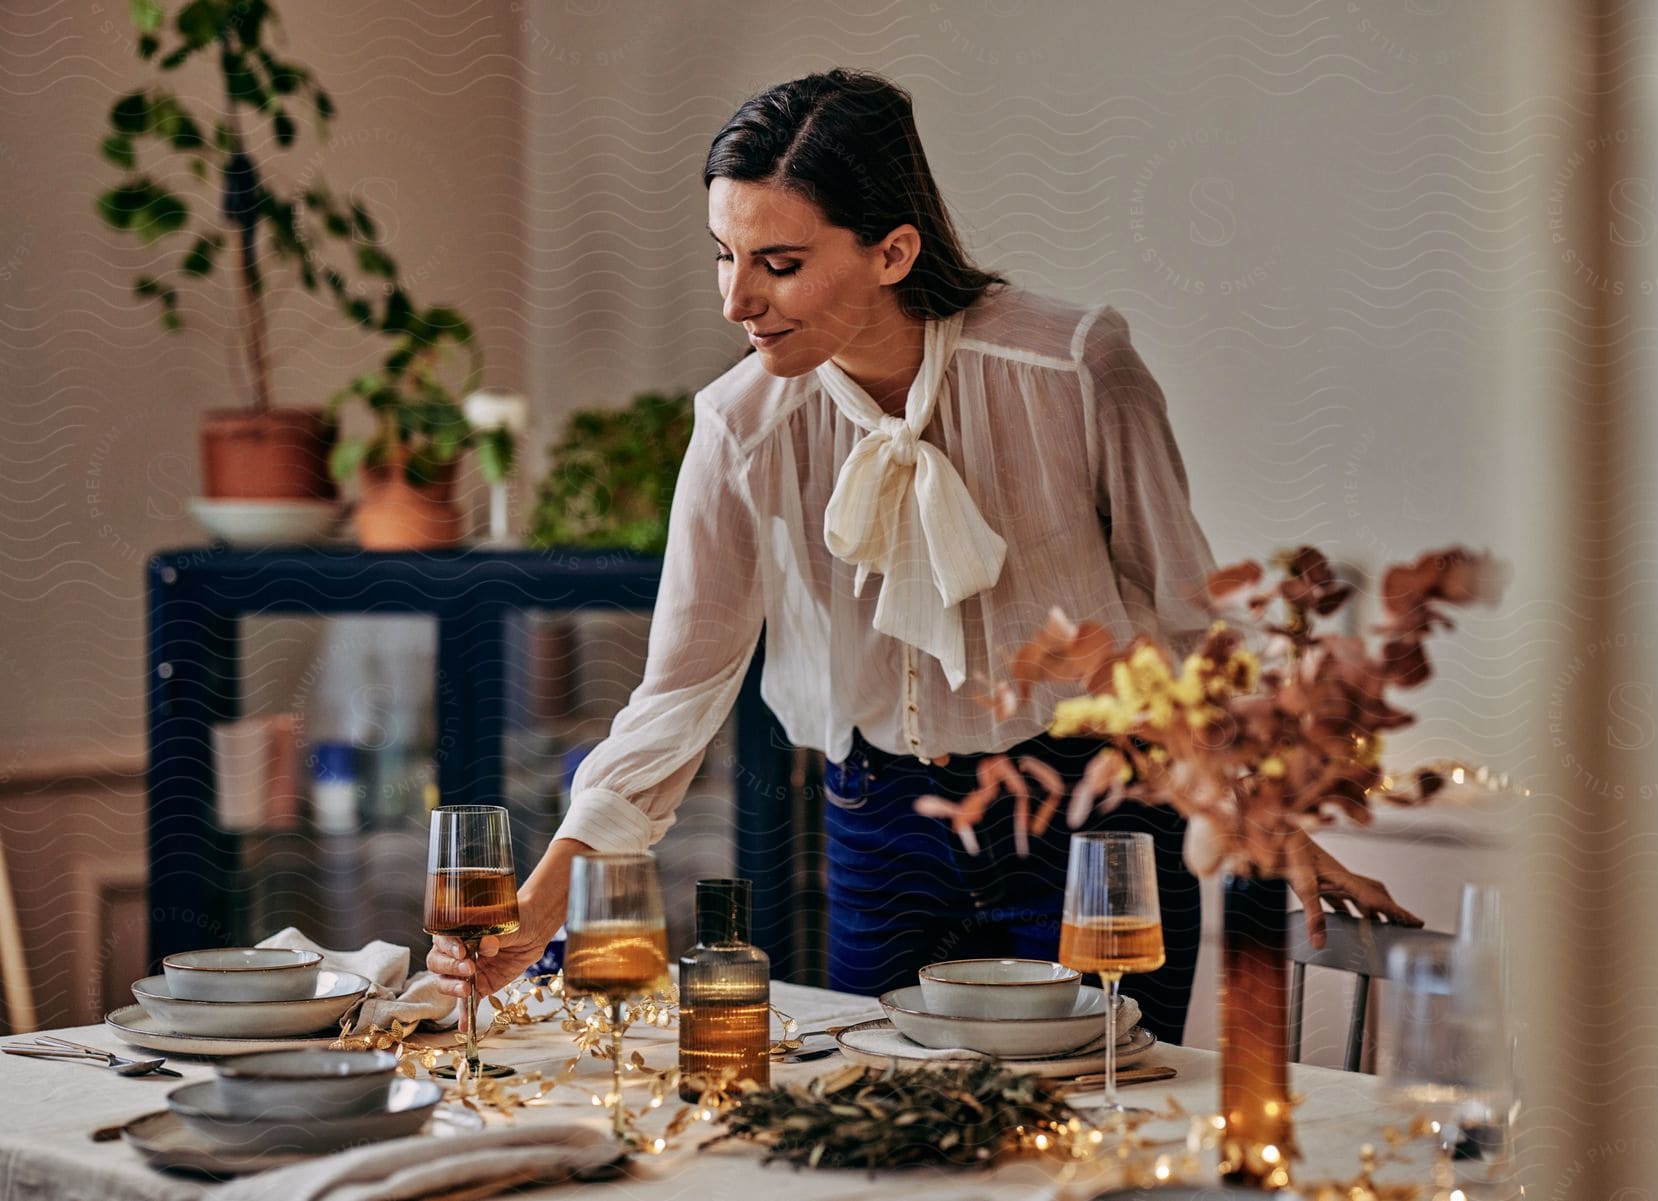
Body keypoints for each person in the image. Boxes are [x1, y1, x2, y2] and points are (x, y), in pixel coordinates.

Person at [430, 68, 1418, 1044]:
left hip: (1096, 815)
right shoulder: (740, 428)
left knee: (1095, 1127)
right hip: (880, 821)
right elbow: (680, 689)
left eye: (778, 262)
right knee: (896, 1134)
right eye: (721, 255)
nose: (737, 300)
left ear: (893, 250)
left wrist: (1266, 814)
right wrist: (544, 897)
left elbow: (1181, 623)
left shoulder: (1074, 367)